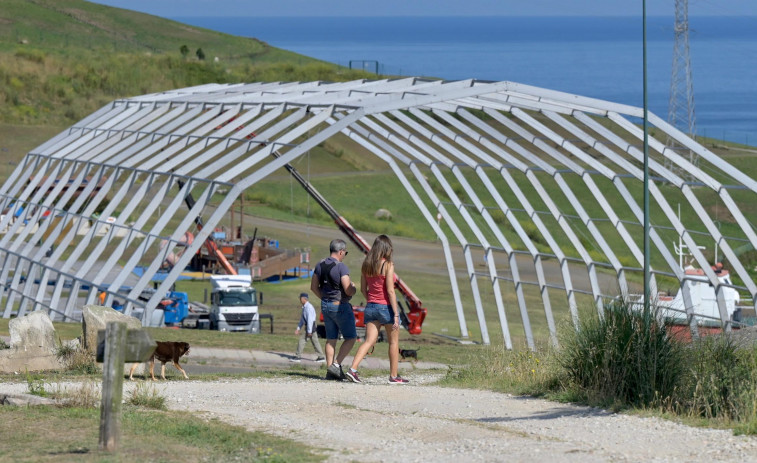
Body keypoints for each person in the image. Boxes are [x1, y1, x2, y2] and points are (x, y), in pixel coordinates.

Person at [344, 234, 409, 384]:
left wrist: (371, 301)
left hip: (371, 307)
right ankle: (393, 376)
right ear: (386, 248)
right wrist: (397, 315)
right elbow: (391, 291)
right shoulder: (388, 265)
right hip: (386, 307)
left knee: (368, 341)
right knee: (393, 342)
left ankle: (352, 369)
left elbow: (363, 289)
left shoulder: (366, 265)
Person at [311, 238, 358, 380]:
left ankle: (330, 371)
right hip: (340, 306)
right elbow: (348, 290)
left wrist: (325, 299)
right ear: (341, 251)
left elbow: (313, 287)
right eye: (345, 252)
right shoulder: (341, 267)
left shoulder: (320, 264)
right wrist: (354, 288)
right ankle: (336, 365)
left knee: (331, 338)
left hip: (325, 304)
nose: (345, 255)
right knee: (351, 338)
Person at [291, 292, 326, 363]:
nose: (299, 300)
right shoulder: (305, 307)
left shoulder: (308, 307)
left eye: (300, 298)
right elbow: (302, 319)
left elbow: (310, 319)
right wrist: (298, 328)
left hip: (310, 326)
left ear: (304, 299)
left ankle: (298, 357)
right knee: (315, 341)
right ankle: (321, 356)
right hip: (309, 326)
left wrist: (309, 331)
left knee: (302, 340)